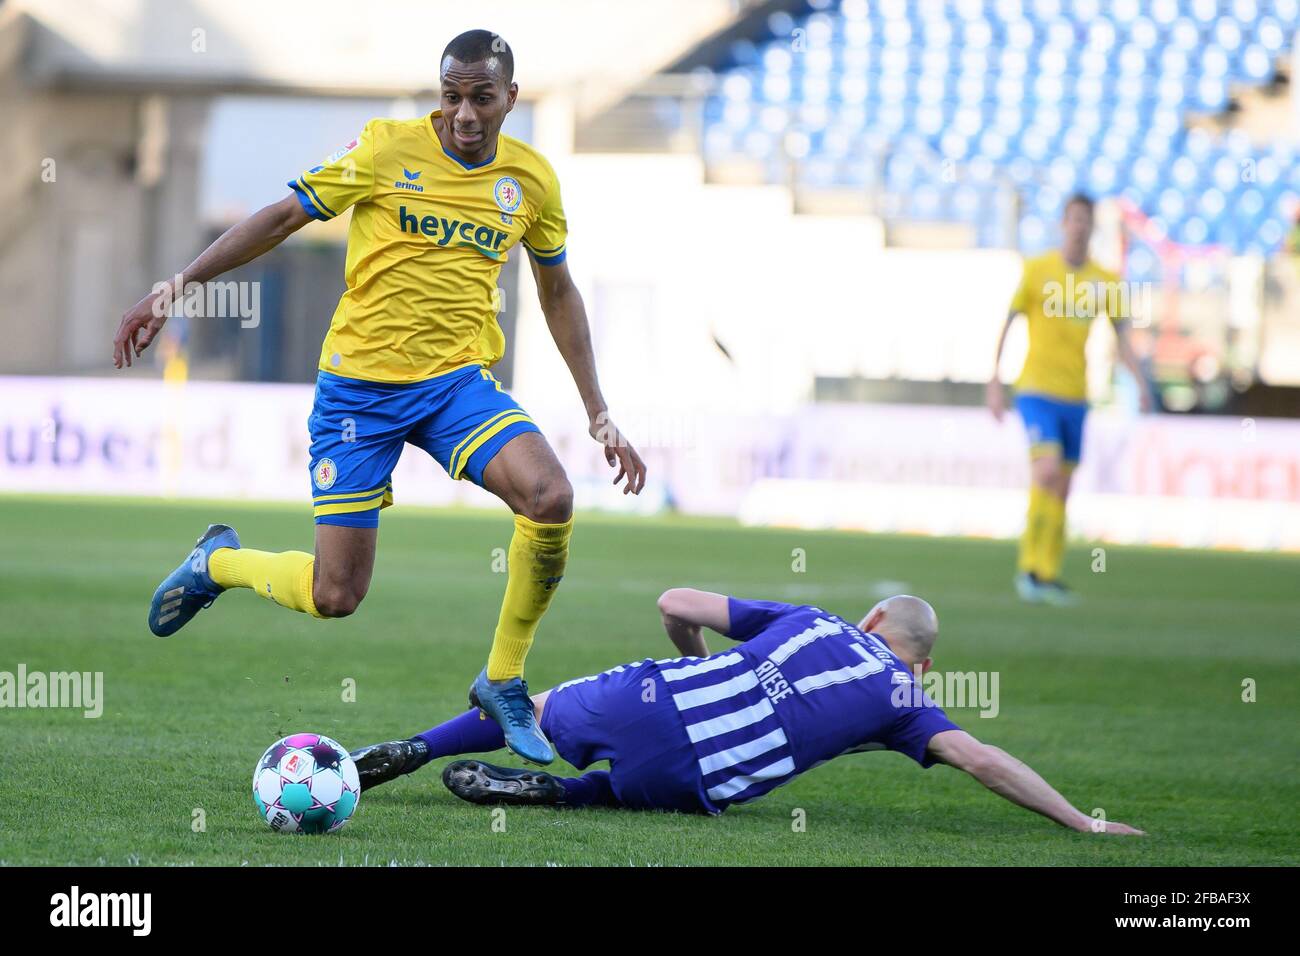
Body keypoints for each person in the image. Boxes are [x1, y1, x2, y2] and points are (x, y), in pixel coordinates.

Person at [110, 30, 647, 764]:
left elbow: (558, 290)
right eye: (451, 95)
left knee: (551, 497)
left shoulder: (532, 182)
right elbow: (283, 217)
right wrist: (176, 287)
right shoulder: (384, 149)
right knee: (336, 595)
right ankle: (218, 564)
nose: (463, 113)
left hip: (456, 385)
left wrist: (599, 412)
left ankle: (503, 679)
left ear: (510, 99)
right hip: (359, 392)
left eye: (480, 97)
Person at [349, 589, 1143, 834]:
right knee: (699, 782)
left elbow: (674, 601)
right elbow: (982, 761)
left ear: (869, 622)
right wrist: (1082, 822)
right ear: (922, 662)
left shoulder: (813, 618)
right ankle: (563, 794)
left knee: (539, 705)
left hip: (651, 699)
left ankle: (410, 750)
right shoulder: (907, 699)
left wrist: (697, 664)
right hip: (698, 776)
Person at [987, 193, 1151, 605]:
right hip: (1036, 390)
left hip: (1076, 396)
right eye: (1073, 219)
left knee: (1062, 486)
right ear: (1063, 223)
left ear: (1092, 226)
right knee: (1045, 472)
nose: (1079, 226)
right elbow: (1008, 323)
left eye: (1086, 220)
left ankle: (1048, 573)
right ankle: (1027, 569)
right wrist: (994, 379)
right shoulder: (1037, 270)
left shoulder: (1106, 281)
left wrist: (1142, 383)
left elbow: (1121, 336)